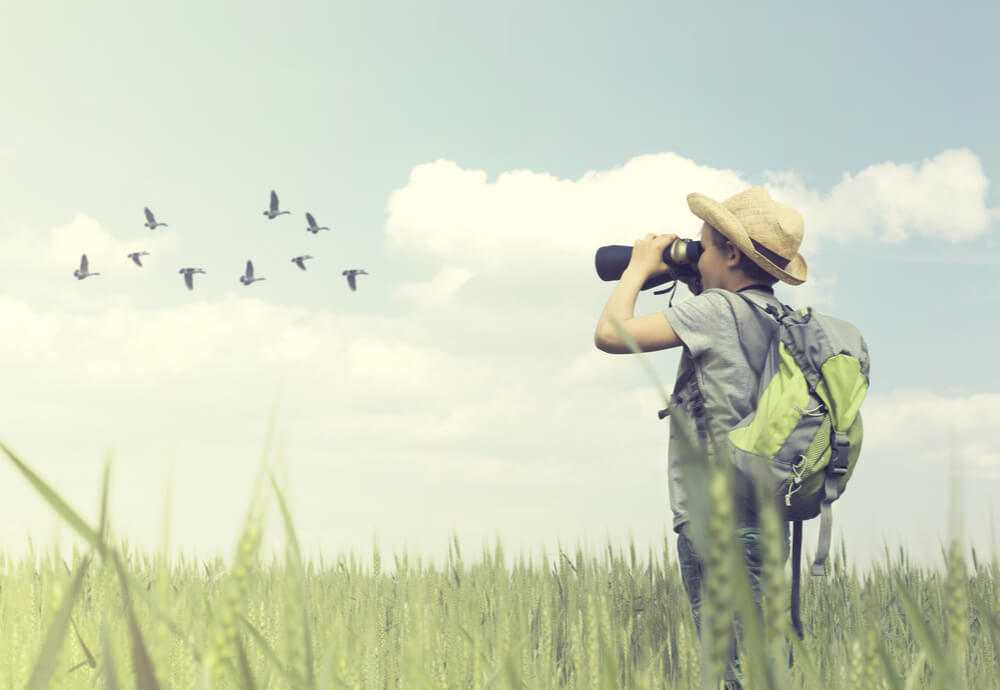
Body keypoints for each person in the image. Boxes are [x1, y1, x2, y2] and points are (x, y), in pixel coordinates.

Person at [593, 185, 808, 687]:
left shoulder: (715, 313)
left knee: (733, 674)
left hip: (716, 523)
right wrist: (698, 276)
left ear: (732, 253)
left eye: (704, 244)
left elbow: (610, 333)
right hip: (768, 517)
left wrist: (640, 267)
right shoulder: (782, 319)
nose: (697, 251)